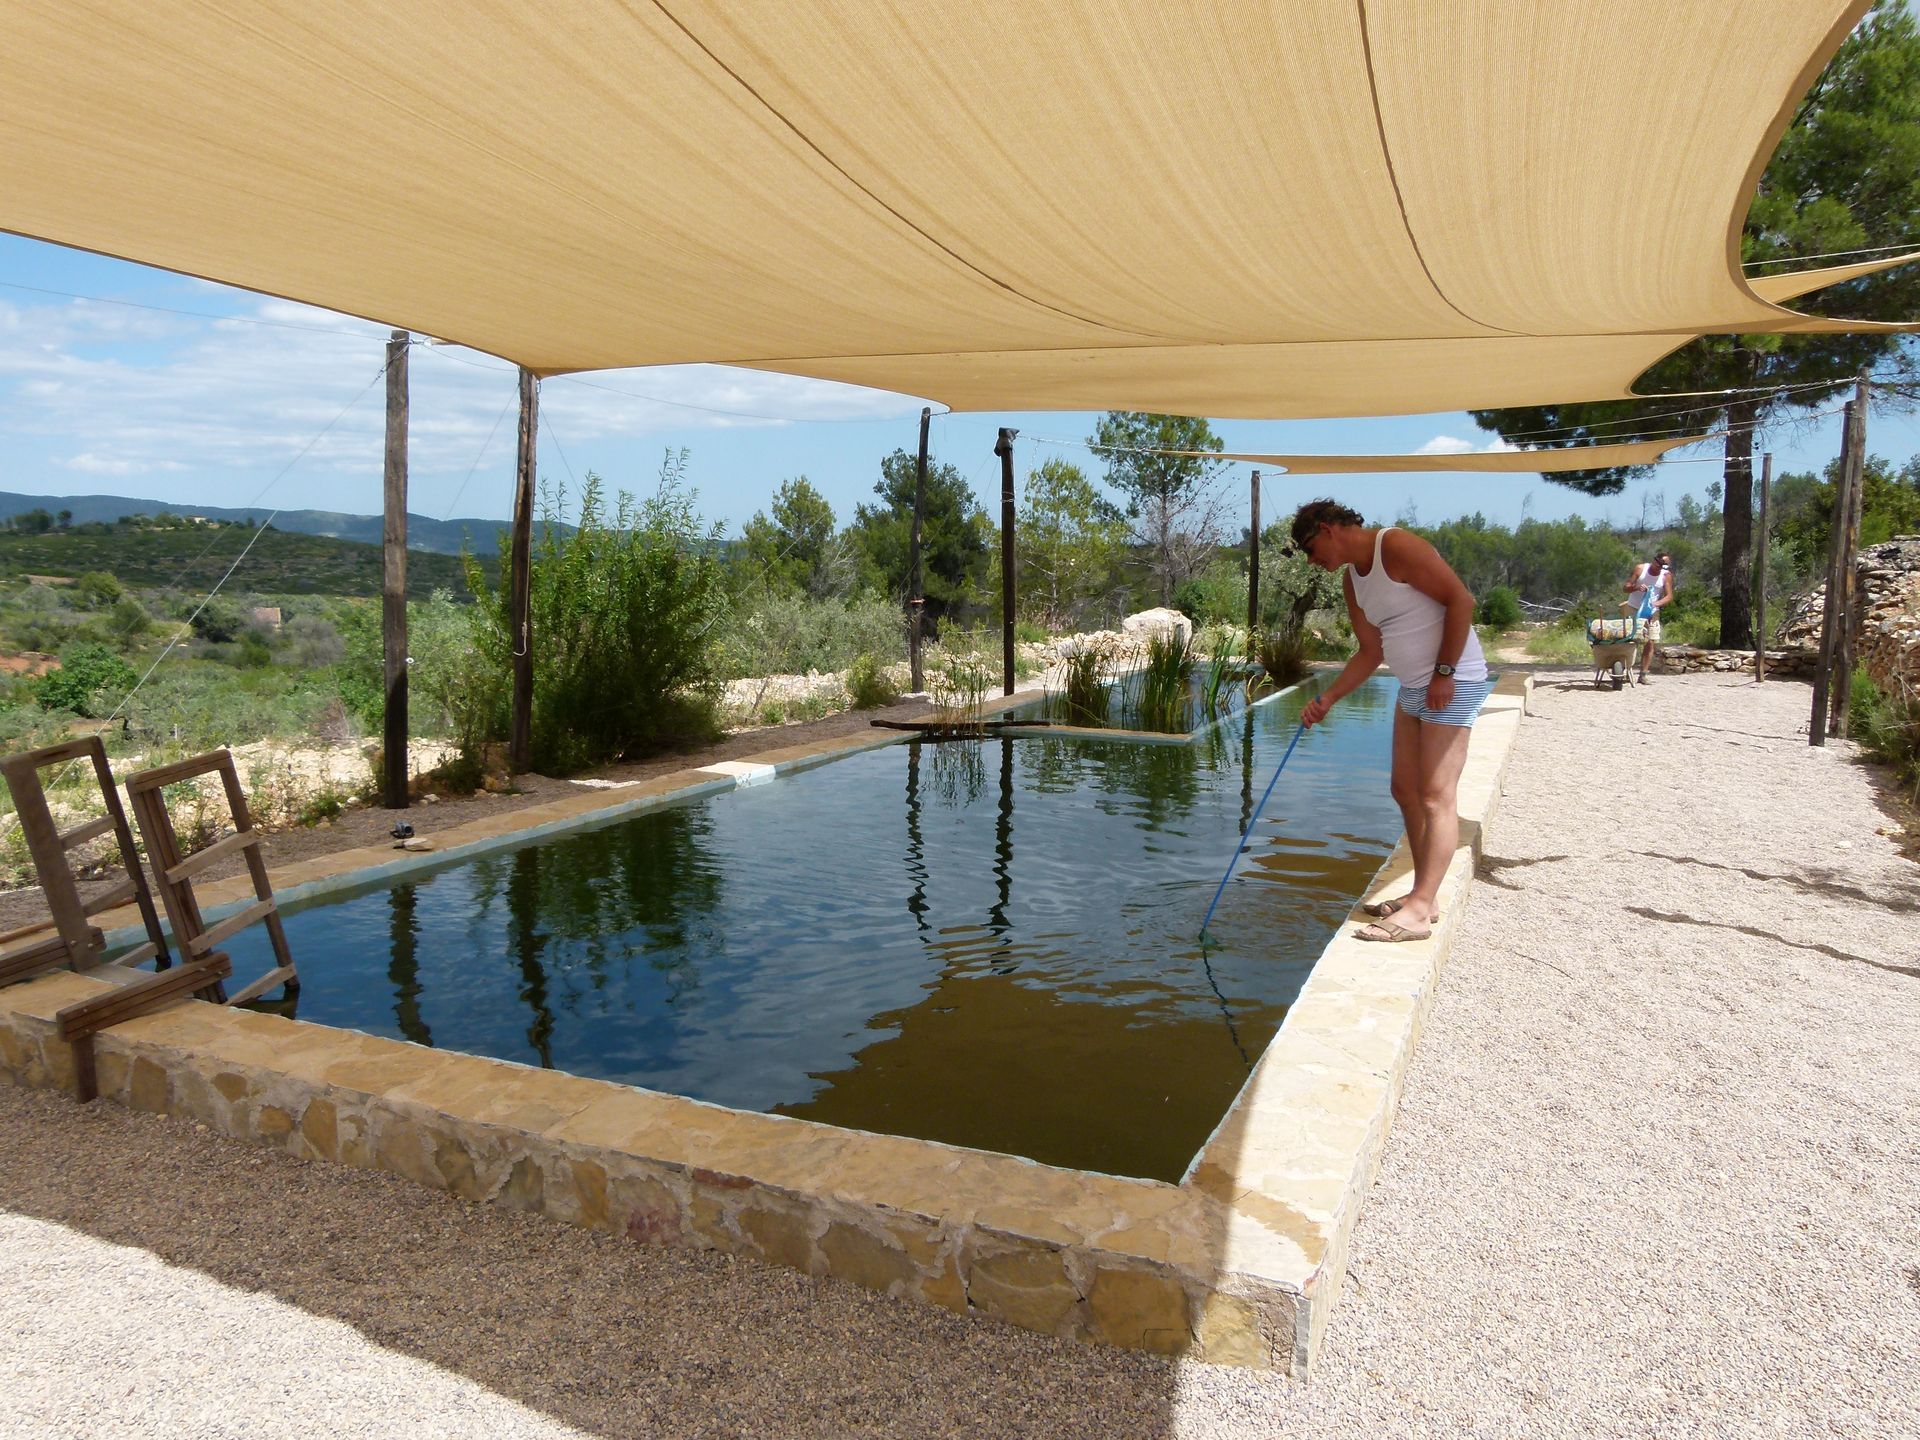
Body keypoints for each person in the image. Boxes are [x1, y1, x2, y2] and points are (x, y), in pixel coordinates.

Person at [1290, 499, 1493, 942]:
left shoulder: (1395, 546)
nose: (1311, 560)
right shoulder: (1352, 581)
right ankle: (1426, 894)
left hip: (1452, 683)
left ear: (1328, 529)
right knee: (1404, 789)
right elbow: (1371, 651)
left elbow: (1461, 600)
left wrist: (1444, 673)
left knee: (1436, 794)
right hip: (1412, 688)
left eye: (1309, 548)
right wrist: (1328, 698)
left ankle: (1419, 911)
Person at [1623, 552, 1673, 683]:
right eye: (1659, 564)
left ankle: (1643, 674)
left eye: (1663, 566)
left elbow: (1669, 596)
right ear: (1655, 560)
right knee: (1629, 639)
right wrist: (1636, 587)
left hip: (1652, 611)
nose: (1660, 567)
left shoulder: (1666, 576)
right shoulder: (1640, 569)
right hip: (1634, 607)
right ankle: (1625, 669)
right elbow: (1626, 587)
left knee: (1650, 641)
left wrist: (1657, 603)